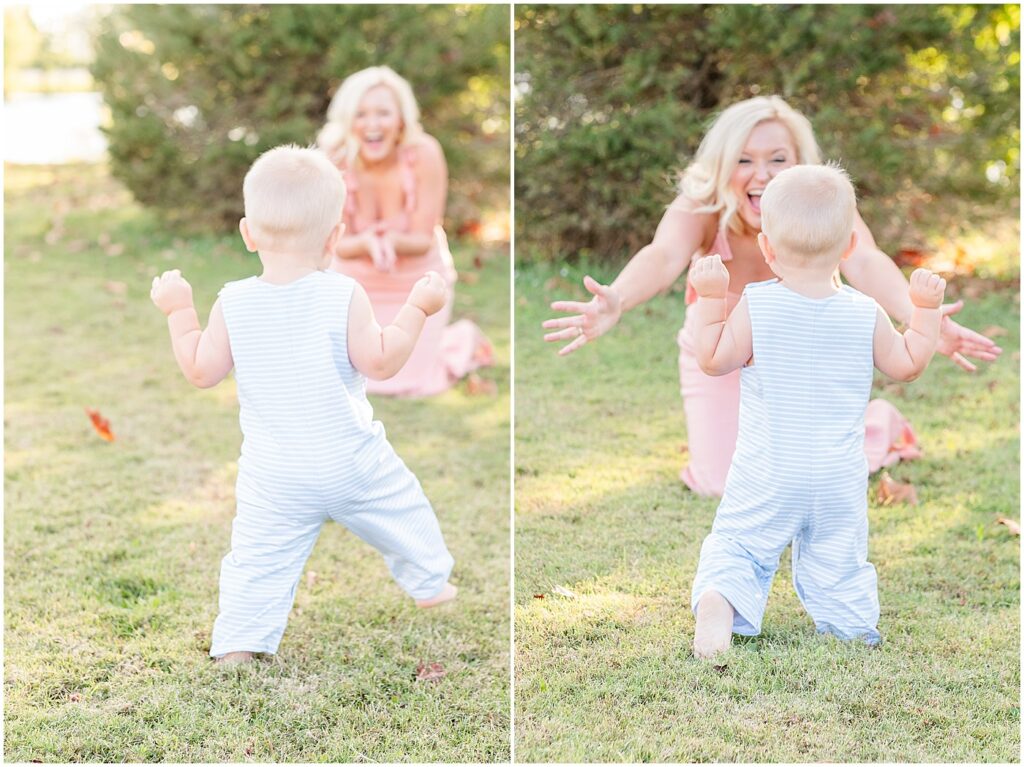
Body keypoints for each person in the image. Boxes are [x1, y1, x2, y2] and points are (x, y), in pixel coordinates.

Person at [543, 96, 1001, 496]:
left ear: (801, 162)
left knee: (813, 472)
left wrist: (920, 317)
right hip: (720, 349)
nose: (760, 176)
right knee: (723, 483)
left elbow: (862, 259)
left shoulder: (823, 205)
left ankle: (879, 425)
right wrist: (617, 298)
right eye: (744, 160)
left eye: (777, 160)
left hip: (804, 348)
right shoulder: (701, 205)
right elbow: (663, 256)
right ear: (723, 164)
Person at [149, 146, 457, 665]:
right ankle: (429, 581)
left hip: (275, 475)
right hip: (352, 463)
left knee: (256, 559)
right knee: (404, 510)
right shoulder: (344, 294)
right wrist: (416, 309)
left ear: (248, 234)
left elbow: (201, 371)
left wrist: (180, 310)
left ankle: (238, 646)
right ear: (335, 238)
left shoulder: (233, 300)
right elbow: (380, 363)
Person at [686, 164, 946, 658]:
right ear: (849, 246)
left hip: (767, 471)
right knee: (839, 554)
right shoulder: (865, 311)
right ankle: (850, 626)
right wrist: (925, 311)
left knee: (739, 543)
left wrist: (713, 299)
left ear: (767, 249)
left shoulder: (757, 306)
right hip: (836, 476)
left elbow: (713, 359)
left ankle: (720, 602)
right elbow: (909, 364)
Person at [317, 66, 492, 397]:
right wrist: (368, 243)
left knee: (405, 383)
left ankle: (460, 339)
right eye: (361, 114)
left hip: (416, 284)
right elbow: (334, 244)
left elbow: (423, 238)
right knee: (351, 376)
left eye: (383, 113)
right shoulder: (334, 156)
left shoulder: (425, 152)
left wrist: (392, 241)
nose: (372, 125)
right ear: (347, 119)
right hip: (355, 285)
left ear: (401, 118)